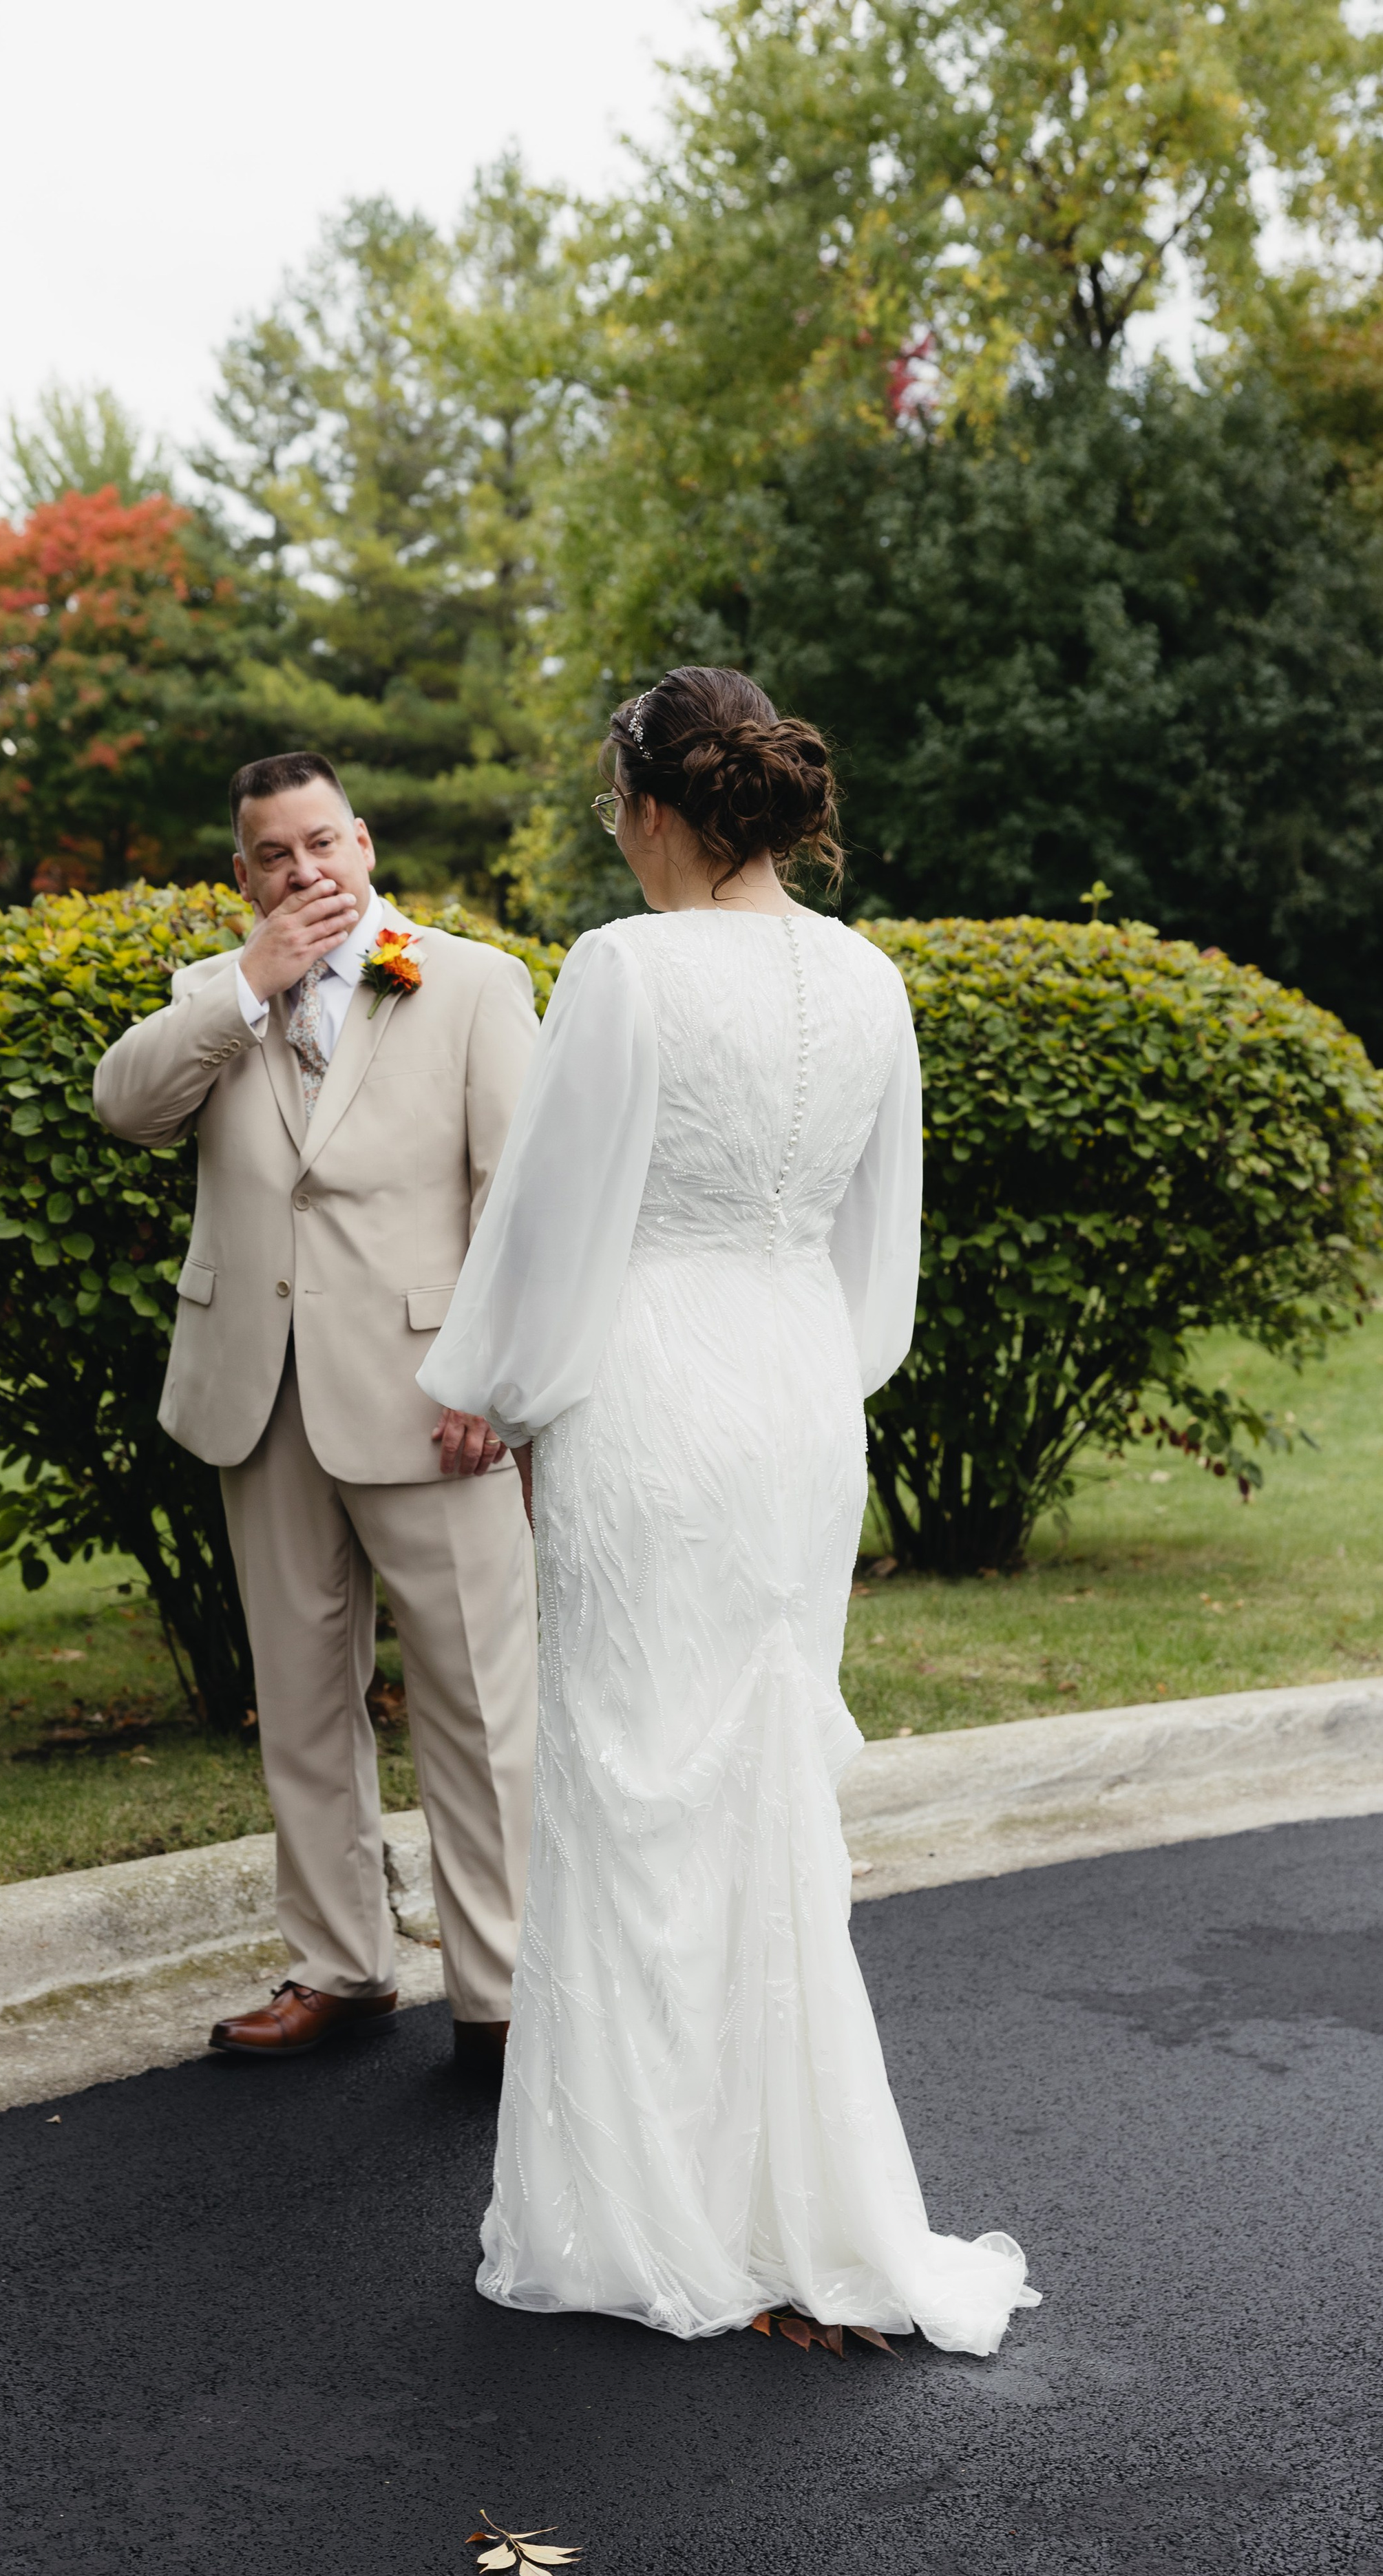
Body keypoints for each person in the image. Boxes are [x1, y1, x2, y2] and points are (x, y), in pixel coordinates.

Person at [419, 668, 1039, 2350]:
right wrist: (811, 1367)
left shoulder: (623, 969)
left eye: (610, 806)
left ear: (651, 808)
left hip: (648, 1396)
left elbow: (553, 1217)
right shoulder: (866, 977)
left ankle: (658, 2215)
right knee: (759, 1785)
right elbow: (874, 1250)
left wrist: (496, 1389)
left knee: (631, 1792)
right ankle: (789, 2199)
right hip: (795, 1397)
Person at [93, 752, 538, 2072]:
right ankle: (341, 1967)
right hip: (259, 1394)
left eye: (323, 843)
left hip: (431, 1401)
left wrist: (492, 1378)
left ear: (365, 842)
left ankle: (505, 1991)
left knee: (478, 1703)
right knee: (297, 1697)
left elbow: (519, 1200)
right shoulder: (212, 995)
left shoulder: (471, 982)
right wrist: (252, 982)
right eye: (275, 855)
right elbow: (126, 1109)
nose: (305, 872)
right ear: (242, 874)